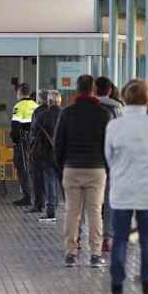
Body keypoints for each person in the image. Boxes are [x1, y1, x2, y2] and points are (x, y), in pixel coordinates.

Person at [105, 79, 148, 294]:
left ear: (123, 97)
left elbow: (109, 158)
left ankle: (117, 291)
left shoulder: (114, 126)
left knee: (120, 238)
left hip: (122, 189)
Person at [55, 75, 110, 268]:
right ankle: (95, 254)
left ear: (77, 90)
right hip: (96, 168)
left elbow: (58, 143)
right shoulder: (103, 114)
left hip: (72, 167)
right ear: (93, 90)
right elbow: (108, 144)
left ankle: (71, 253)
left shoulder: (67, 113)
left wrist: (62, 165)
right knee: (95, 212)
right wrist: (106, 166)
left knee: (72, 211)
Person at [95, 77, 124, 252]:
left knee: (91, 201)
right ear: (110, 90)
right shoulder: (118, 108)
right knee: (109, 198)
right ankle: (108, 237)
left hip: (94, 158)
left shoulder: (90, 107)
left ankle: (85, 237)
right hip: (113, 159)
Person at [30, 90, 63, 221]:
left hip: (47, 153)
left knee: (49, 180)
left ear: (49, 102)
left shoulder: (41, 115)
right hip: (63, 154)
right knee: (64, 182)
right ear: (60, 101)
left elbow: (34, 134)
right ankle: (71, 208)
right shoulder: (65, 114)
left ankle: (51, 210)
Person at [11, 83, 38, 206]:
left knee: (22, 167)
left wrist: (15, 140)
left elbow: (15, 126)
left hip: (22, 142)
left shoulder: (19, 106)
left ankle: (27, 196)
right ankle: (36, 195)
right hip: (35, 142)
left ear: (20, 92)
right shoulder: (35, 105)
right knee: (33, 168)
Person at [26, 89, 50, 213]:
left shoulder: (38, 112)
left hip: (38, 149)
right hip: (51, 150)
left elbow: (34, 131)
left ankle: (38, 204)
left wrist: (30, 149)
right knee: (50, 178)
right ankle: (50, 203)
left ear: (40, 99)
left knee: (36, 177)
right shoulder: (55, 111)